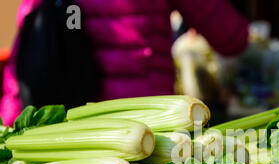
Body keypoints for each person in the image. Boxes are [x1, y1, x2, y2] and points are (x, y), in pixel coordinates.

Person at [0, 0, 249, 126]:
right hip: (145, 122)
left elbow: (29, 45)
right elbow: (231, 37)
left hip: (68, 130)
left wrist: (11, 122)